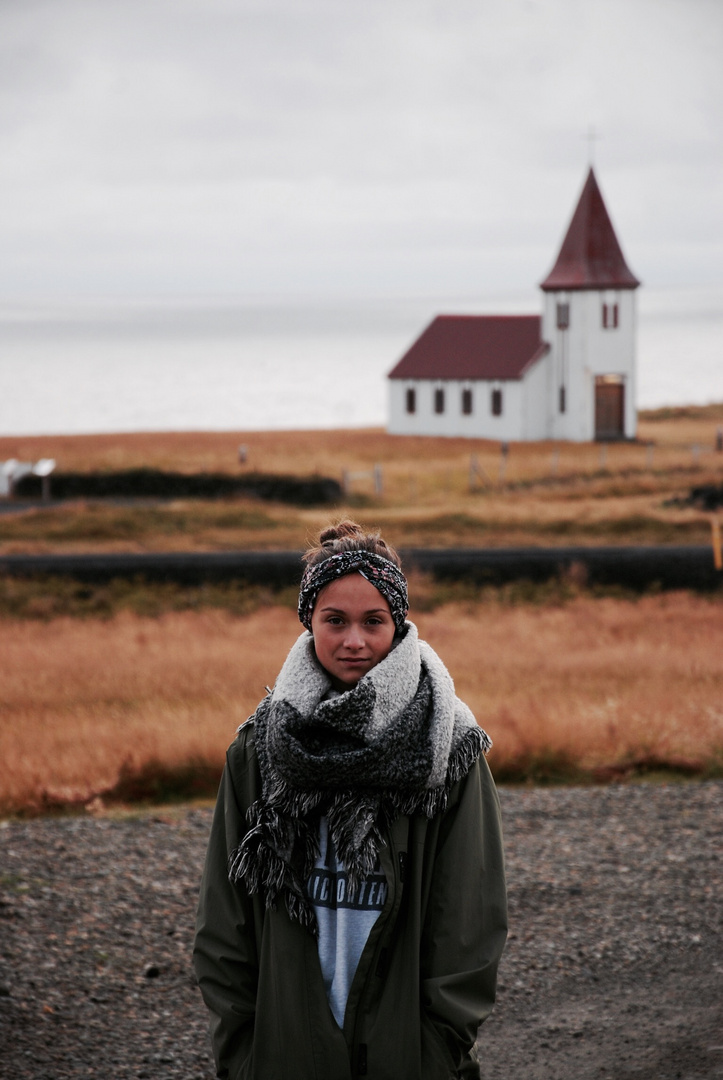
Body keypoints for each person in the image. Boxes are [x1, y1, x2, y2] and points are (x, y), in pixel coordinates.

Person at [193, 521, 507, 1079]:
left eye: (373, 621)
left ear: (399, 624)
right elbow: (225, 927)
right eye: (334, 621)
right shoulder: (259, 750)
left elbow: (468, 931)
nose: (354, 640)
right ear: (308, 623)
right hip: (284, 1055)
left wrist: (434, 1057)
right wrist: (242, 1056)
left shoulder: (447, 747)